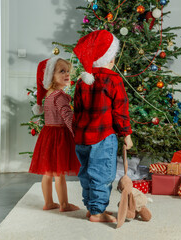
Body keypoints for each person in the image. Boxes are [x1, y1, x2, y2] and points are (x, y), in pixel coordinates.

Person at [72, 30, 133, 223]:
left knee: (86, 172)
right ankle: (97, 213)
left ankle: (91, 208)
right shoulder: (113, 79)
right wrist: (126, 134)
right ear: (110, 59)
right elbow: (120, 111)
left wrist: (77, 132)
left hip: (82, 137)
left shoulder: (82, 81)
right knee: (102, 174)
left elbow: (77, 110)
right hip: (103, 136)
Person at [29, 57, 80, 212]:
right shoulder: (60, 96)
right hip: (59, 136)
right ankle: (64, 205)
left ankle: (49, 203)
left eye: (68, 71)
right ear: (50, 76)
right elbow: (67, 117)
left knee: (48, 172)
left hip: (48, 135)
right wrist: (77, 134)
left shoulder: (49, 95)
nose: (67, 75)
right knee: (59, 174)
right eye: (62, 71)